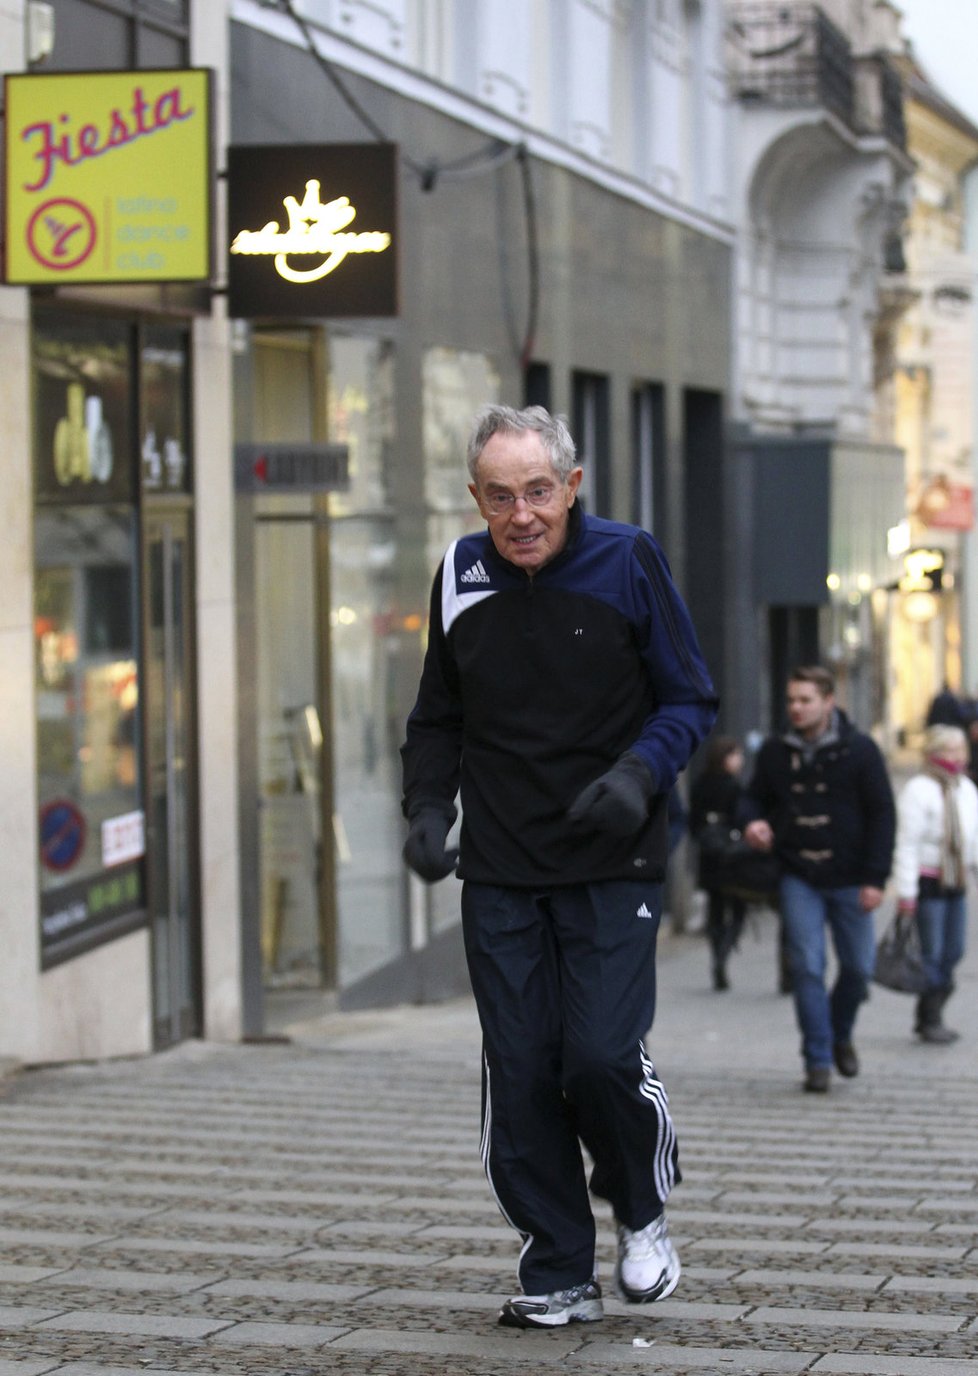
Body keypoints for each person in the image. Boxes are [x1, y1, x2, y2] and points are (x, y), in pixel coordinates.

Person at [400, 404, 717, 1329]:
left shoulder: (628, 560)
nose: (521, 514)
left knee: (603, 1054)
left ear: (571, 488)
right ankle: (556, 1262)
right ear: (476, 499)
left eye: (538, 491)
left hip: (612, 856)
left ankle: (644, 1212)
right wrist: (426, 808)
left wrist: (638, 772)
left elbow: (689, 697)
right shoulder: (460, 574)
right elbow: (437, 715)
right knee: (523, 1065)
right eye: (499, 497)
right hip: (500, 867)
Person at [742, 665, 896, 1093]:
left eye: (805, 700)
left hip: (851, 876)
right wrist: (753, 823)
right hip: (799, 875)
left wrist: (876, 877)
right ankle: (818, 1058)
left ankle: (838, 1032)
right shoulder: (776, 751)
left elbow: (883, 813)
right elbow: (752, 798)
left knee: (859, 968)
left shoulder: (860, 750)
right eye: (791, 699)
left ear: (829, 702)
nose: (796, 707)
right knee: (807, 967)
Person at [893, 724, 978, 1044]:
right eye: (949, 750)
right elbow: (907, 844)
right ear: (933, 753)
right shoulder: (919, 789)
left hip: (956, 882)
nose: (956, 757)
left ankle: (932, 1005)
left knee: (954, 951)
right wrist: (905, 894)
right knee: (933, 953)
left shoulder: (965, 788)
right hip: (928, 883)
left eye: (960, 750)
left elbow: (973, 839)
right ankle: (930, 1017)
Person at [689, 736, 748, 991]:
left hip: (709, 854)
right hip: (731, 855)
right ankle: (725, 952)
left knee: (715, 908)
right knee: (737, 907)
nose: (740, 760)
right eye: (736, 754)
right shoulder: (733, 786)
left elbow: (693, 821)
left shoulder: (700, 783)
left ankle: (717, 954)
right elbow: (741, 818)